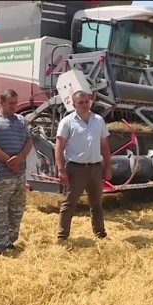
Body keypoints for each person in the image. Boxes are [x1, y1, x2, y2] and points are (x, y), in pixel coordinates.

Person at [54, 90, 112, 241]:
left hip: (95, 168)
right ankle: (62, 236)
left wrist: (108, 167)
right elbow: (59, 147)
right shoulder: (67, 122)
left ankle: (100, 234)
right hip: (75, 169)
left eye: (87, 101)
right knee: (69, 203)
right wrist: (61, 170)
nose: (85, 105)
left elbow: (105, 145)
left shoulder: (98, 120)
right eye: (81, 102)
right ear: (73, 105)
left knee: (97, 204)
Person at [0, 89, 33, 254]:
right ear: (1, 103)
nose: (14, 106)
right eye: (10, 103)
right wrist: (8, 160)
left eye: (15, 103)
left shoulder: (22, 121)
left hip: (19, 175)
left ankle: (10, 241)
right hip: (1, 176)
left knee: (16, 210)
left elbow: (29, 141)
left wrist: (20, 157)